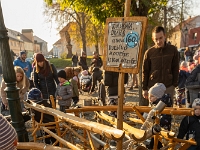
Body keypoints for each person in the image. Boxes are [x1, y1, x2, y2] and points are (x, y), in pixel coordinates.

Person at [142, 26, 179, 104]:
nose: (158, 41)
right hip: (153, 88)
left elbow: (175, 68)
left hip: (168, 86)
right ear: (153, 39)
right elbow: (145, 71)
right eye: (156, 39)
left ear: (164, 36)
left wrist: (174, 84)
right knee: (153, 113)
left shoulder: (173, 50)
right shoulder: (149, 53)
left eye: (160, 38)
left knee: (167, 113)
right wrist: (144, 88)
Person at [144, 83, 172, 149]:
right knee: (154, 141)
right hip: (154, 128)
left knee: (157, 143)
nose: (149, 98)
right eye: (149, 96)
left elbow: (164, 118)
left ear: (158, 97)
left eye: (152, 96)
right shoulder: (154, 104)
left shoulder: (162, 106)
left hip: (162, 128)